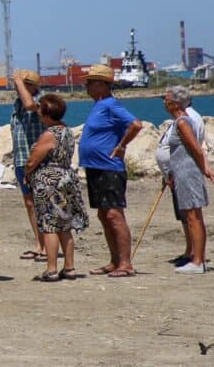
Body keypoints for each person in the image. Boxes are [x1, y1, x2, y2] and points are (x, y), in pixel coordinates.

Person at [79, 64, 144, 278]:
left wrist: (122, 145)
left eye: (89, 83)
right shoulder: (98, 106)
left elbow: (135, 124)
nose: (86, 86)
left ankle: (125, 262)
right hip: (95, 167)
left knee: (114, 214)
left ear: (102, 84)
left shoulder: (110, 105)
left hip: (109, 168)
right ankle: (114, 259)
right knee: (103, 214)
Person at [23, 93, 89, 281]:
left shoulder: (49, 134)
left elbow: (33, 159)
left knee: (50, 225)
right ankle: (69, 267)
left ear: (47, 114)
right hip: (65, 178)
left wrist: (28, 173)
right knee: (64, 225)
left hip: (49, 181)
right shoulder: (67, 131)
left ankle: (51, 268)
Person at [162, 86, 214, 274]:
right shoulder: (180, 121)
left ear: (175, 103)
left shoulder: (182, 122)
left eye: (167, 99)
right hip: (181, 173)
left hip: (188, 173)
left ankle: (198, 261)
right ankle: (197, 260)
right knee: (191, 216)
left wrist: (206, 168)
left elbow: (196, 148)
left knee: (193, 217)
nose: (164, 102)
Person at [10, 69, 47, 262]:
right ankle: (38, 243)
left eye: (21, 85)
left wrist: (19, 81)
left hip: (36, 161)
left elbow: (31, 105)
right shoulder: (18, 104)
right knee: (30, 204)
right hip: (21, 159)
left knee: (40, 203)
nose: (17, 88)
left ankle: (46, 245)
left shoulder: (42, 99)